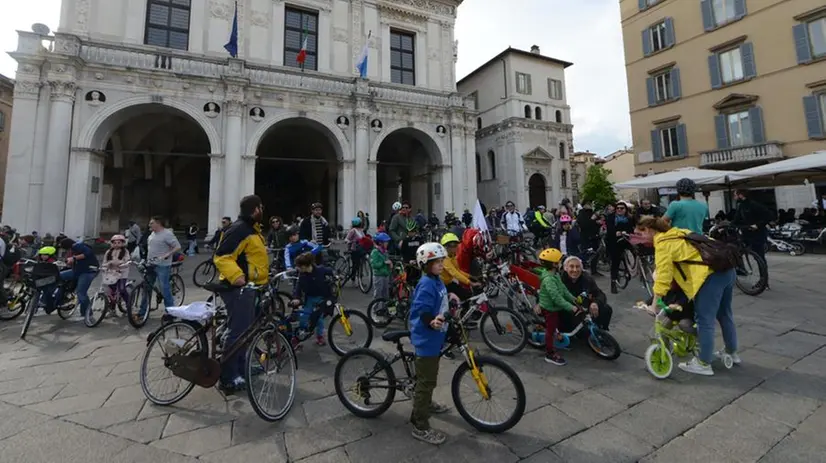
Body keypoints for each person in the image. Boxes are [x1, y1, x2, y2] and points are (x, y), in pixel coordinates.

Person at [636, 215, 739, 376]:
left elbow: (663, 277)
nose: (641, 237)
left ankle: (703, 363)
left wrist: (655, 304)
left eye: (641, 233)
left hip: (709, 277)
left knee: (704, 320)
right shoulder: (678, 232)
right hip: (727, 270)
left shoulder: (663, 244)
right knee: (725, 314)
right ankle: (732, 352)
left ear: (648, 230)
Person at [213, 195, 269, 391]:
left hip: (250, 288)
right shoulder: (240, 229)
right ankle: (228, 376)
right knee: (237, 332)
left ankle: (241, 367)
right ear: (255, 209)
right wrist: (237, 277)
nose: (263, 210)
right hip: (237, 288)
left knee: (246, 331)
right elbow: (221, 256)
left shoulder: (252, 230)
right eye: (261, 207)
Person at [408, 242, 454, 445]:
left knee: (429, 377)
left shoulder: (436, 280)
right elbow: (421, 309)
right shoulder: (427, 283)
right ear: (425, 264)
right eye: (436, 261)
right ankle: (420, 425)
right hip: (427, 338)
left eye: (442, 260)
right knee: (425, 383)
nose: (441, 264)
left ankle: (426, 404)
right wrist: (432, 321)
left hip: (436, 337)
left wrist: (450, 296)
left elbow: (440, 298)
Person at [534, 248, 581, 366]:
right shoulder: (549, 279)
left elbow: (563, 290)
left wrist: (573, 299)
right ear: (554, 264)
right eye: (559, 261)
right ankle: (549, 354)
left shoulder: (555, 274)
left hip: (555, 307)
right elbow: (556, 298)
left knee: (555, 326)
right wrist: (571, 307)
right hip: (550, 308)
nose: (561, 263)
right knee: (550, 331)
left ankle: (557, 337)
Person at [136, 217, 181, 323]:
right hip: (151, 263)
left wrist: (167, 255)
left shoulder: (167, 234)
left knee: (164, 287)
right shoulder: (151, 234)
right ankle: (143, 311)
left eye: (151, 223)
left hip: (163, 265)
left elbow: (177, 246)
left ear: (158, 223)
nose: (149, 225)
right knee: (147, 287)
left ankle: (170, 312)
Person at [289, 252, 335, 347]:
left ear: (307, 265)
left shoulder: (320, 270)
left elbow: (330, 271)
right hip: (309, 298)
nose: (299, 269)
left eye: (301, 267)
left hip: (321, 298)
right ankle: (298, 336)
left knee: (319, 319)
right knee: (303, 317)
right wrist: (297, 298)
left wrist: (336, 275)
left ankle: (320, 336)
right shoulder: (302, 275)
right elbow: (298, 288)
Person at [560, 256, 612, 331]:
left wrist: (595, 303)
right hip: (569, 310)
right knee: (583, 332)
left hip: (584, 307)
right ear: (565, 268)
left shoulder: (587, 279)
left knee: (607, 309)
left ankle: (601, 331)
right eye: (571, 267)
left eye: (577, 267)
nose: (575, 270)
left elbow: (600, 294)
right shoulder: (559, 280)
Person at [57, 238, 100, 321]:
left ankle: (87, 313)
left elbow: (88, 253)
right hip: (77, 270)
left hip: (88, 272)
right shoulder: (72, 249)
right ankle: (64, 293)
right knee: (58, 276)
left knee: (81, 293)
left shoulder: (77, 246)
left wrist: (74, 258)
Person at [605, 201, 636, 294]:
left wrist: (630, 233)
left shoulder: (629, 218)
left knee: (635, 251)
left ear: (625, 210)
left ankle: (631, 269)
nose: (619, 210)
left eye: (622, 208)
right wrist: (616, 233)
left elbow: (632, 228)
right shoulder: (611, 217)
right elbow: (610, 229)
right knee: (616, 261)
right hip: (614, 241)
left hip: (626, 239)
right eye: (617, 208)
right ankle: (613, 283)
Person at [732, 189, 771, 260]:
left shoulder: (753, 204)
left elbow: (769, 216)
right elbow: (736, 220)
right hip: (746, 233)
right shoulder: (741, 206)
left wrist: (757, 225)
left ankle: (763, 270)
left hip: (757, 234)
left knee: (759, 255)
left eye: (735, 195)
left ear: (740, 195)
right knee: (738, 252)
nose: (734, 198)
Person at [101, 235, 131, 313]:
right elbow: (104, 262)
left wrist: (121, 264)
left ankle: (129, 304)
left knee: (121, 289)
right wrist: (105, 266)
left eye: (119, 242)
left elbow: (127, 261)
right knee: (111, 291)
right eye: (114, 243)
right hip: (111, 274)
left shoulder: (125, 252)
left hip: (122, 273)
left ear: (123, 243)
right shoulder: (108, 252)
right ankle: (112, 308)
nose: (116, 244)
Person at [576, 201, 601, 275]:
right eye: (588, 204)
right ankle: (582, 271)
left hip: (595, 236)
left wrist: (598, 222)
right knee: (585, 253)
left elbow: (596, 222)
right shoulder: (581, 213)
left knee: (595, 253)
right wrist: (592, 220)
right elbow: (583, 225)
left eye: (590, 204)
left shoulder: (593, 212)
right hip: (586, 237)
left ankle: (594, 270)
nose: (590, 205)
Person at [370, 232, 392, 301]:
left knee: (386, 294)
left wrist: (390, 264)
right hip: (378, 276)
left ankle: (384, 309)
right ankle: (376, 309)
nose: (387, 244)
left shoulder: (385, 252)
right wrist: (384, 263)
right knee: (378, 294)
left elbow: (387, 260)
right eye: (386, 242)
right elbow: (374, 264)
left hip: (385, 275)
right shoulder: (375, 252)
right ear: (380, 243)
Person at [345, 217, 367, 282]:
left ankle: (359, 276)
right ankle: (353, 275)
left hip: (361, 249)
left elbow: (364, 238)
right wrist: (350, 242)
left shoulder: (361, 230)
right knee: (355, 264)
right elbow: (347, 239)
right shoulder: (353, 231)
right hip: (354, 249)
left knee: (360, 263)